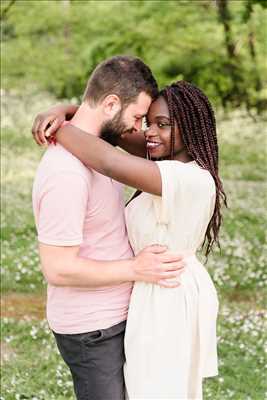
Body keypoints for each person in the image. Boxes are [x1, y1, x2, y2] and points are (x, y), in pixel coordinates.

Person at [33, 79, 227, 400]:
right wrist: (63, 111)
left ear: (189, 128)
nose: (150, 132)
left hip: (167, 295)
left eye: (162, 125)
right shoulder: (165, 157)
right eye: (148, 122)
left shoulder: (187, 178)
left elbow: (108, 159)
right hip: (152, 288)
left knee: (156, 390)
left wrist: (58, 128)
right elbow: (116, 131)